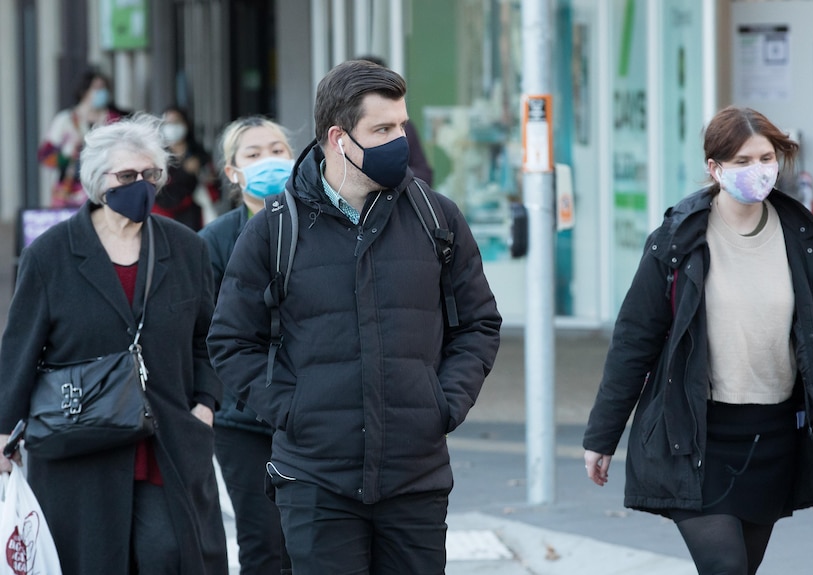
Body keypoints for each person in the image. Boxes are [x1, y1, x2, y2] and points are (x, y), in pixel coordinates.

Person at [207, 59, 501, 574]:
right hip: (315, 481)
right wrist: (294, 411)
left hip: (416, 479)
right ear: (339, 138)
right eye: (383, 129)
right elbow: (231, 341)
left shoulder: (438, 218)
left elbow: (478, 323)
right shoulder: (274, 230)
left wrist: (444, 403)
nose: (400, 141)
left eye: (402, 126)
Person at [582, 106, 813, 575]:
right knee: (725, 567)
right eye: (742, 161)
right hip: (697, 439)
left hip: (772, 437)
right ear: (714, 168)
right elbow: (635, 341)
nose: (759, 170)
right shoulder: (677, 241)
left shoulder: (802, 241)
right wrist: (601, 437)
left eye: (766, 157)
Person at [0, 113, 229, 575]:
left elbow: (209, 338)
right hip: (79, 447)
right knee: (90, 560)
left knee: (169, 555)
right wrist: (4, 434)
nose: (141, 184)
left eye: (151, 175)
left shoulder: (186, 249)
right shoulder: (50, 255)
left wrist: (205, 404)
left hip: (168, 439)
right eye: (128, 176)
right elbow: (20, 349)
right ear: (97, 181)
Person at [199, 115, 296, 574]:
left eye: (277, 150)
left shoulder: (324, 227)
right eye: (253, 155)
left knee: (315, 540)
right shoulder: (214, 242)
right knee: (263, 542)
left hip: (315, 412)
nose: (270, 161)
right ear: (233, 172)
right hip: (243, 417)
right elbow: (205, 332)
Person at [37, 69, 124, 207]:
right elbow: (45, 156)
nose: (102, 92)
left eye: (104, 88)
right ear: (84, 91)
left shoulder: (114, 120)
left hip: (105, 190)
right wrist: (66, 154)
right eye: (97, 88)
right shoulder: (65, 120)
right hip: (70, 192)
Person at [356, 55, 435, 185]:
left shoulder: (407, 128)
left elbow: (425, 175)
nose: (398, 137)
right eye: (382, 129)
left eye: (401, 126)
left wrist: (395, 170)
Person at [152, 106, 218, 230]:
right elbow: (162, 194)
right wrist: (185, 172)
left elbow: (215, 192)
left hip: (194, 219)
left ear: (186, 124)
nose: (172, 127)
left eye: (176, 122)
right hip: (164, 219)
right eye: (167, 123)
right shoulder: (156, 156)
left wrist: (209, 179)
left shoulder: (199, 154)